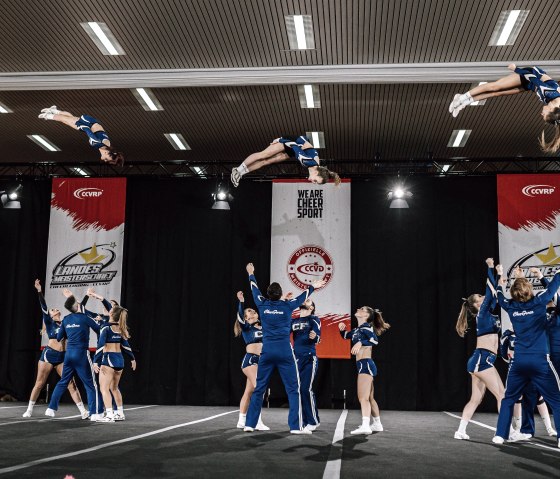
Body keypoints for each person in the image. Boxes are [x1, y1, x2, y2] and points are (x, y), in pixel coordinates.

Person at [243, 263, 325, 434]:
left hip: (267, 352)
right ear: (280, 295)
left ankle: (249, 424)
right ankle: (295, 426)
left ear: (268, 294)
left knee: (259, 388)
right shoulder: (287, 306)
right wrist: (313, 286)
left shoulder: (262, 304)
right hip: (285, 352)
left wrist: (251, 273)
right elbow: (304, 296)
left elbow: (254, 288)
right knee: (293, 389)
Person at [493, 264, 560, 446]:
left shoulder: (510, 306)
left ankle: (500, 435)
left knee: (509, 399)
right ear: (529, 290)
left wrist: (501, 279)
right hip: (540, 361)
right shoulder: (539, 302)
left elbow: (499, 297)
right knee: (556, 400)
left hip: (519, 361)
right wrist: (537, 276)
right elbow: (555, 283)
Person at [449, 65, 560, 153]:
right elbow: (533, 78)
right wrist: (516, 69)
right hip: (530, 75)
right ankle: (461, 97)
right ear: (551, 109)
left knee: (498, 93)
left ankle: (465, 103)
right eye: (544, 114)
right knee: (495, 86)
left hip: (531, 85)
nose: (541, 114)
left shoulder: (554, 107)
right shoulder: (549, 92)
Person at [453, 258, 506, 440]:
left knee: (476, 399)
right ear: (476, 305)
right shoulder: (482, 314)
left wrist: (500, 276)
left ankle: (460, 431)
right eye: (480, 298)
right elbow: (490, 292)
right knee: (502, 395)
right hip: (482, 359)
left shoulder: (488, 312)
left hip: (482, 359)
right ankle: (504, 432)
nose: (483, 298)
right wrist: (491, 268)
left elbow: (495, 295)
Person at [22, 280, 87, 419]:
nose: (55, 309)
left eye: (56, 308)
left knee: (71, 384)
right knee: (39, 384)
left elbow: (79, 311)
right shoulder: (49, 323)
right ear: (50, 315)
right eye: (53, 310)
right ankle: (29, 409)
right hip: (49, 355)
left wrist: (74, 298)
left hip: (62, 357)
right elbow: (44, 306)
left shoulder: (66, 322)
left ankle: (83, 411)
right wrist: (39, 290)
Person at [44, 294, 102, 419]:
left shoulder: (65, 319)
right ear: (76, 305)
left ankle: (51, 408)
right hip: (81, 354)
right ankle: (94, 414)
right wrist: (100, 321)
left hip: (69, 355)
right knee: (91, 385)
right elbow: (99, 329)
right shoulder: (85, 318)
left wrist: (69, 330)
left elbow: (59, 338)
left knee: (63, 381)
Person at [339, 306, 390, 435]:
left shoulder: (367, 327)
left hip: (365, 364)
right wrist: (342, 330)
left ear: (366, 315)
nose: (358, 309)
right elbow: (346, 336)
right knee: (370, 397)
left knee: (363, 398)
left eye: (362, 309)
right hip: (364, 364)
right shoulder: (357, 330)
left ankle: (366, 425)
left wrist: (360, 343)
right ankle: (377, 424)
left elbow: (375, 340)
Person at [230, 136, 340, 187]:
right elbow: (293, 145)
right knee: (263, 155)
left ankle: (241, 174)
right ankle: (237, 169)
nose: (313, 182)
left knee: (266, 162)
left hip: (297, 149)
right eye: (316, 181)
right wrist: (280, 140)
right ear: (316, 173)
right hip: (292, 142)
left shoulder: (316, 167)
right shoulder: (307, 162)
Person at [38, 106, 124, 165]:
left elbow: (94, 133)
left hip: (92, 124)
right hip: (88, 124)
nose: (105, 160)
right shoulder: (97, 144)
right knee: (66, 120)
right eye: (106, 159)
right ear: (107, 153)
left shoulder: (107, 146)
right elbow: (87, 130)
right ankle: (49, 115)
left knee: (68, 120)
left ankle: (54, 110)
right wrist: (81, 126)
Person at [93, 306, 136, 422]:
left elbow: (101, 345)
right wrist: (132, 359)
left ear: (111, 313)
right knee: (114, 387)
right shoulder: (120, 328)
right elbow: (126, 345)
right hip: (120, 360)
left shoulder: (106, 328)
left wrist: (95, 361)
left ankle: (109, 415)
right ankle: (120, 413)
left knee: (104, 388)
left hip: (109, 359)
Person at [234, 291, 269, 431]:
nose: (253, 312)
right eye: (249, 312)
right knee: (260, 388)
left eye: (254, 310)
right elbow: (239, 315)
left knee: (249, 391)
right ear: (246, 318)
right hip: (250, 361)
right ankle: (256, 421)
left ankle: (241, 420)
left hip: (260, 362)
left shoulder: (263, 327)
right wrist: (241, 302)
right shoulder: (247, 328)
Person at [291, 299, 321, 431]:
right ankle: (303, 421)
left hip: (309, 358)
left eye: (308, 301)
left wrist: (315, 336)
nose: (305, 301)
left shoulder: (313, 319)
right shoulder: (293, 321)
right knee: (298, 391)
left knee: (305, 389)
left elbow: (318, 337)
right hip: (296, 360)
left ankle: (313, 421)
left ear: (312, 308)